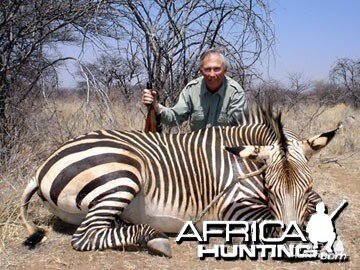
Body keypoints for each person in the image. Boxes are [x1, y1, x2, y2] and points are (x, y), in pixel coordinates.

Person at [142, 48, 247, 132]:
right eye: (207, 69)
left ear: (225, 70)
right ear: (201, 71)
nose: (212, 74)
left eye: (216, 69)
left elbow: (238, 130)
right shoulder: (192, 89)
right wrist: (155, 106)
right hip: (196, 149)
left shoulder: (235, 92)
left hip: (225, 148)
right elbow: (174, 117)